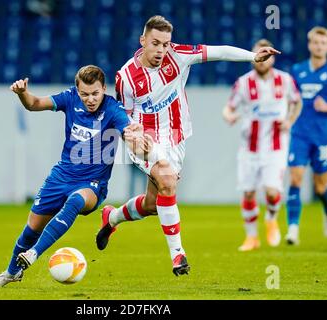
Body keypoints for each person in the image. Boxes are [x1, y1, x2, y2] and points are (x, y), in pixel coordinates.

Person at [96, 15, 280, 276]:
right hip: (145, 138)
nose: (161, 50)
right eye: (155, 43)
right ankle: (178, 255)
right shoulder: (126, 76)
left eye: (165, 44)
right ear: (143, 41)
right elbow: (123, 116)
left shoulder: (178, 55)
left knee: (152, 203)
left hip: (176, 137)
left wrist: (252, 56)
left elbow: (219, 51)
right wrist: (131, 135)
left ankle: (112, 217)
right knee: (167, 179)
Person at [0, 65, 150, 288]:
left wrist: (137, 141)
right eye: (84, 94)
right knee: (31, 229)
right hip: (61, 176)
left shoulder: (113, 109)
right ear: (77, 90)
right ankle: (12, 272)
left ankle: (34, 254)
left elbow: (129, 134)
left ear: (103, 88)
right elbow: (34, 104)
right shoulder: (69, 98)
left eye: (95, 93)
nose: (90, 99)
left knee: (75, 201)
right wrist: (22, 93)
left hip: (92, 184)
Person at [222, 39, 302, 251]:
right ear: (253, 58)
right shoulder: (243, 82)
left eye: (267, 57)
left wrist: (290, 121)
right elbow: (228, 108)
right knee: (248, 193)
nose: (263, 61)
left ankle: (271, 218)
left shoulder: (285, 80)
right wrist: (228, 116)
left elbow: (297, 102)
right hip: (249, 147)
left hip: (275, 146)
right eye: (259, 56)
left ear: (273, 58)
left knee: (272, 191)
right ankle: (252, 238)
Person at [285, 27, 327, 245]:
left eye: (323, 43)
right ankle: (293, 229)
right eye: (315, 42)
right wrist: (287, 118)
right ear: (309, 44)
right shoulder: (297, 70)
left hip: (323, 136)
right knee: (295, 179)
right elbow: (290, 99)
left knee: (320, 187)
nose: (319, 46)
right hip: (300, 134)